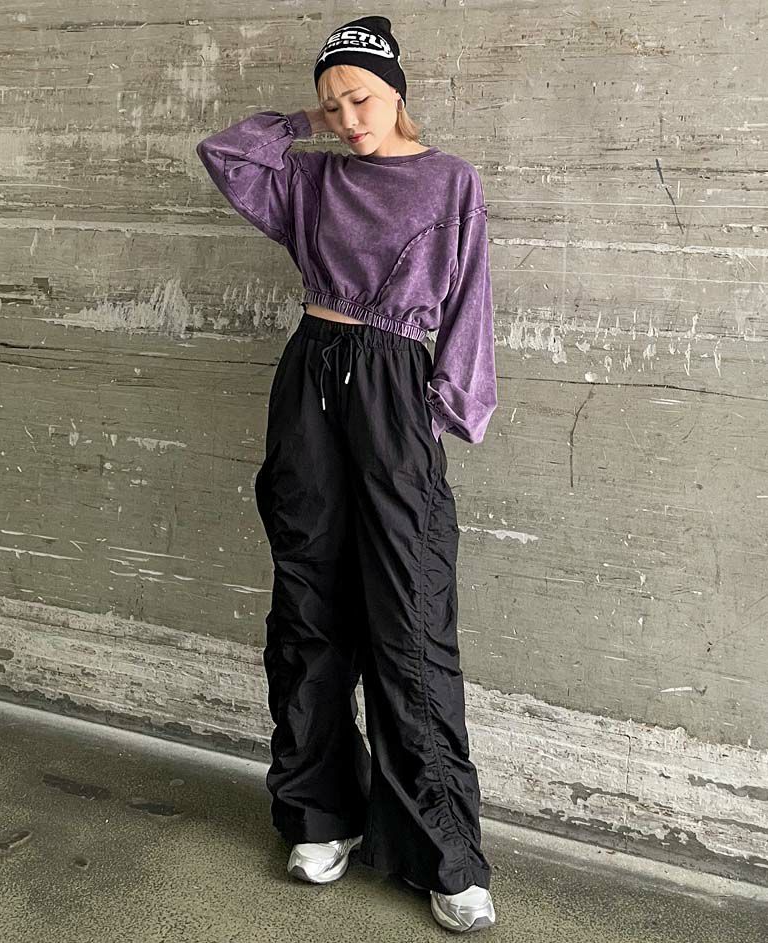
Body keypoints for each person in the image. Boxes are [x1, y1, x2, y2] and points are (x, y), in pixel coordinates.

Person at [196, 14, 498, 933]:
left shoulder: (450, 181)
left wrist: (439, 411)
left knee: (410, 614)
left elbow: (471, 301)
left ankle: (444, 853)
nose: (349, 119)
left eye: (360, 98)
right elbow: (226, 154)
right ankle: (320, 813)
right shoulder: (315, 176)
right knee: (308, 601)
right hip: (311, 378)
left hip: (396, 387)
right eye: (333, 106)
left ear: (397, 90)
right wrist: (303, 120)